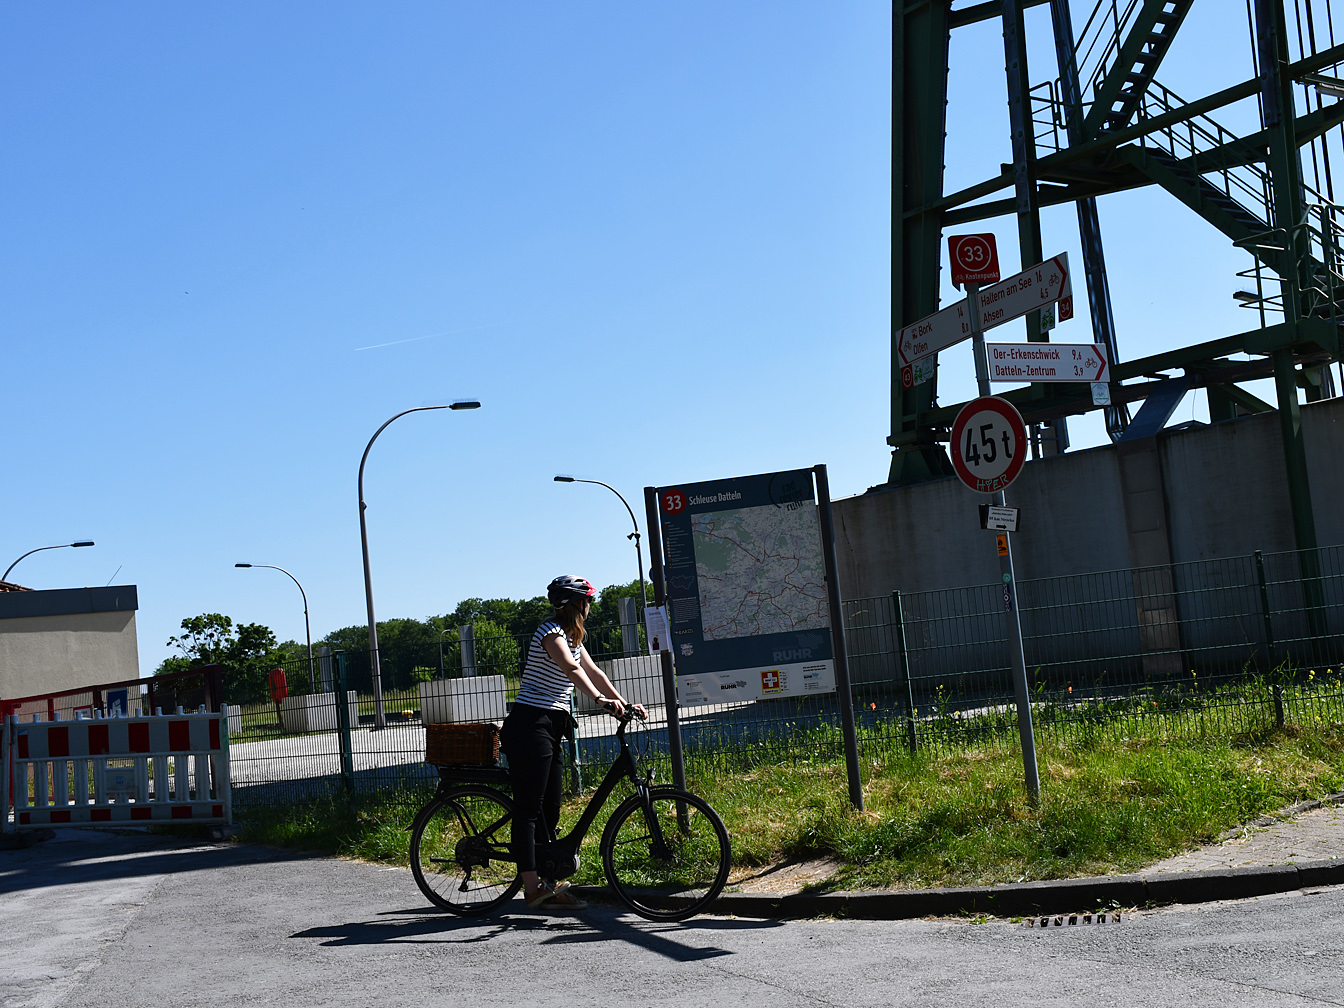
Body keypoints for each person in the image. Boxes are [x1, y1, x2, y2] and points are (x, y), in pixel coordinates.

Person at [500, 574, 646, 911]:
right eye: (588, 600)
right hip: (530, 722)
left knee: (550, 808)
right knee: (529, 808)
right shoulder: (549, 633)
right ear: (576, 603)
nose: (591, 605)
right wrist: (599, 701)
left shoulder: (574, 637)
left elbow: (594, 672)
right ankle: (532, 886)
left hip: (553, 723)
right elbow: (570, 669)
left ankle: (549, 882)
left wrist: (623, 702)